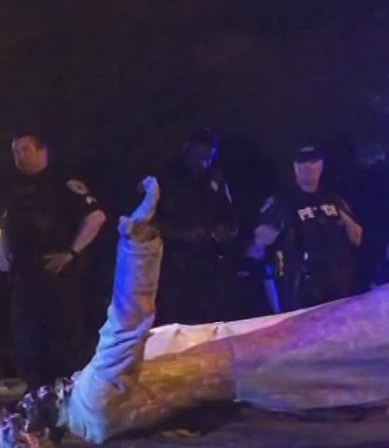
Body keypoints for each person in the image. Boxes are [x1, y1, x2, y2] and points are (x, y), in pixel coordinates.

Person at [0, 132, 107, 394]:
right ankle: (37, 395)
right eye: (15, 151)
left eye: (25, 150)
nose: (19, 156)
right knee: (27, 339)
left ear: (42, 151)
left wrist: (72, 252)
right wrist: (3, 256)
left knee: (63, 340)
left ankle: (70, 396)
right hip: (25, 275)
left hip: (58, 276)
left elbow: (96, 218)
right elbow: (4, 226)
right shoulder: (14, 188)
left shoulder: (64, 185)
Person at [252, 145, 364, 311]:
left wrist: (344, 219)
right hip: (300, 283)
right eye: (303, 162)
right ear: (295, 167)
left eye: (313, 162)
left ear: (321, 165)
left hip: (335, 281)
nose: (309, 167)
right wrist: (282, 226)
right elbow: (260, 239)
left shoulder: (333, 198)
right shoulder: (283, 199)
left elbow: (356, 237)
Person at [155, 128, 238, 325]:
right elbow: (148, 223)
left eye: (208, 158)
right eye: (199, 156)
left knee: (205, 318)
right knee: (172, 319)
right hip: (172, 262)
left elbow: (231, 219)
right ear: (186, 149)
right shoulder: (166, 178)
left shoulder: (215, 179)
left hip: (206, 262)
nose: (203, 163)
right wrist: (183, 234)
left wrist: (222, 232)